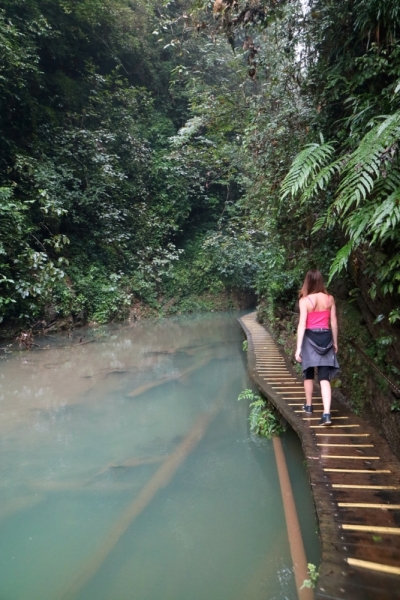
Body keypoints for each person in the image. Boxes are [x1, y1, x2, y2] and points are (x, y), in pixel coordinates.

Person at [295, 269, 339, 426]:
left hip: (309, 338)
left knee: (307, 372)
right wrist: (335, 342)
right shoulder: (330, 299)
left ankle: (309, 406)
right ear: (321, 281)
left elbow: (302, 324)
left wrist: (298, 348)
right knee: (324, 377)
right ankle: (327, 414)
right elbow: (333, 322)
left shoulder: (305, 301)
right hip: (326, 338)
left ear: (308, 282)